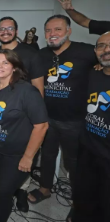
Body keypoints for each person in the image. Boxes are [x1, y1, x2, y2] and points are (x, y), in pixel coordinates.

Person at [29, 15, 98, 221]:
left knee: (74, 164)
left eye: (57, 30)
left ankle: (79, 203)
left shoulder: (86, 52)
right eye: (48, 31)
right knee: (47, 155)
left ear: (68, 30)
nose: (53, 35)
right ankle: (45, 188)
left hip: (76, 121)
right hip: (48, 118)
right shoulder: (41, 55)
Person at [0, 17, 44, 211]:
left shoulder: (26, 91)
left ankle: (6, 206)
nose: (0, 66)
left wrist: (28, 157)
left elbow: (41, 125)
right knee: (4, 184)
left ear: (15, 67)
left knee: (2, 191)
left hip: (18, 152)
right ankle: (6, 200)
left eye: (5, 63)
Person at [73, 32, 110, 222]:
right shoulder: (92, 73)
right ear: (95, 51)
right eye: (102, 46)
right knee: (84, 196)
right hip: (88, 148)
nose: (107, 50)